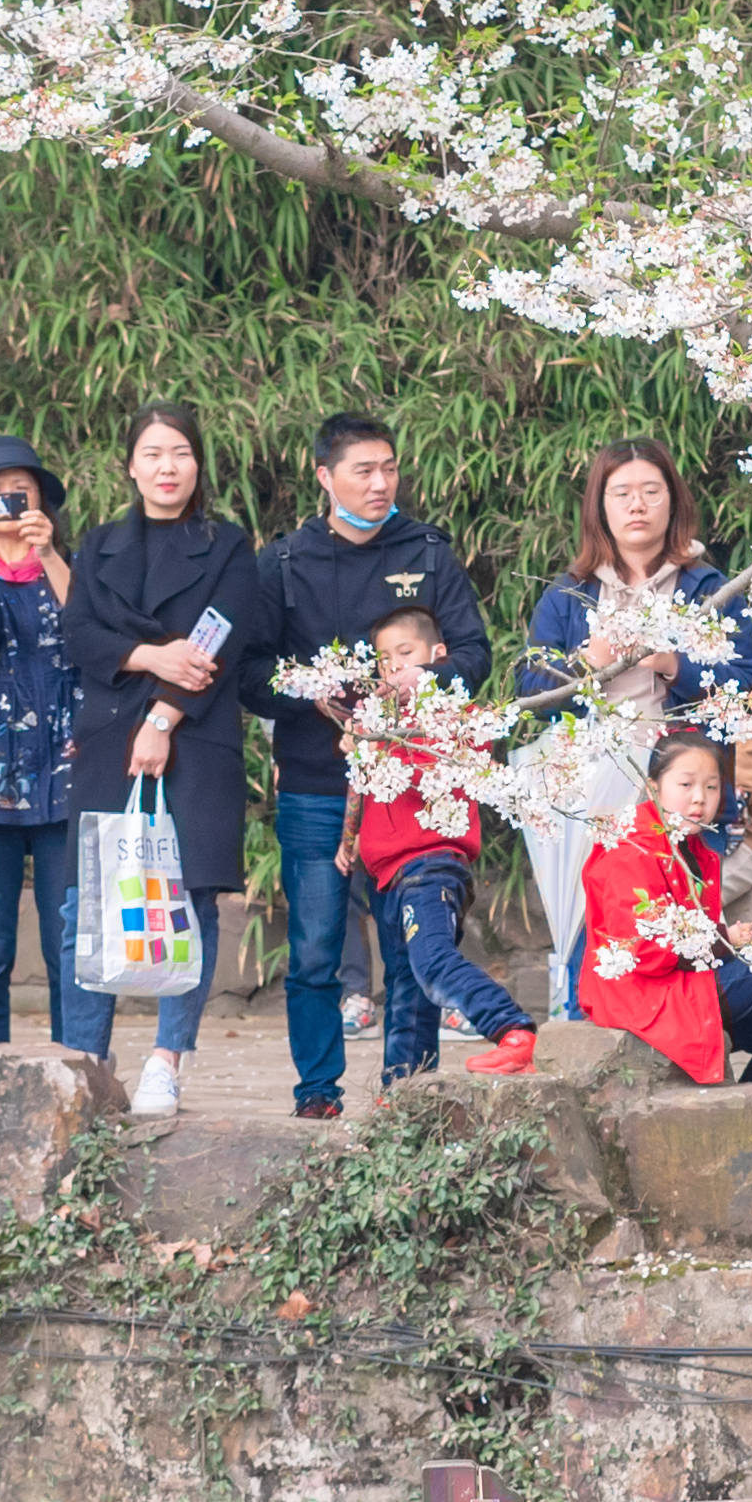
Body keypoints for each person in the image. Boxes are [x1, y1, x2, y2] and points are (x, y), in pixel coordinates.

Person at [255, 412, 493, 1120]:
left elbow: (474, 654)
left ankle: (407, 1093)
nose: (380, 482)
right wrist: (308, 692)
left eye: (389, 467)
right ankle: (317, 1090)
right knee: (314, 949)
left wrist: (424, 680)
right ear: (325, 477)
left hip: (413, 786)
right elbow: (249, 673)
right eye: (363, 470)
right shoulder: (285, 562)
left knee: (412, 945)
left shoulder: (427, 551)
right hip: (316, 779)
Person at [64, 404, 272, 1117]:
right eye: (152, 453)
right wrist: (151, 656)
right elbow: (78, 633)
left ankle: (166, 1059)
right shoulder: (98, 545)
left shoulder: (227, 545)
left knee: (188, 898)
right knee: (88, 897)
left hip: (196, 735)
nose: (166, 467)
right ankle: (85, 1060)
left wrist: (161, 717)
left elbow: (222, 640)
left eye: (180, 452)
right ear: (131, 465)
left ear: (197, 464)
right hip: (106, 737)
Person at [517, 440, 752, 1018]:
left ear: (674, 501)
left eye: (652, 491)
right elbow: (529, 692)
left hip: (679, 782)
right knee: (592, 911)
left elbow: (747, 686)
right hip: (591, 786)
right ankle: (583, 1033)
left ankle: (680, 1041)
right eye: (621, 493)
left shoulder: (708, 588)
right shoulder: (570, 594)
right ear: (599, 507)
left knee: (676, 929)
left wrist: (675, 665)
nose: (637, 505)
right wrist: (585, 665)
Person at [0, 437, 109, 1072]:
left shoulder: (75, 566)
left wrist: (50, 555)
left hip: (70, 770)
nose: (10, 502)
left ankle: (78, 1066)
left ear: (42, 501)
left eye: (22, 491)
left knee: (70, 934)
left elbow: (90, 635)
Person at [577, 725, 752, 1083]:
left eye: (711, 787)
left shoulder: (694, 847)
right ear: (653, 788)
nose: (699, 799)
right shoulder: (631, 849)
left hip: (680, 978)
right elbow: (644, 950)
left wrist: (725, 940)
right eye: (686, 784)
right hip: (645, 992)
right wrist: (723, 941)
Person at [339, 599, 536, 1080]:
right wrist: (349, 839)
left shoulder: (456, 716)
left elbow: (469, 758)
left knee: (430, 960)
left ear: (437, 656)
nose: (394, 667)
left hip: (431, 865)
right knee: (406, 986)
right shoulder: (376, 719)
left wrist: (413, 713)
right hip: (386, 874)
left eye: (405, 653)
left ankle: (509, 1027)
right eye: (384, 660)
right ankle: (404, 1090)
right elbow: (359, 786)